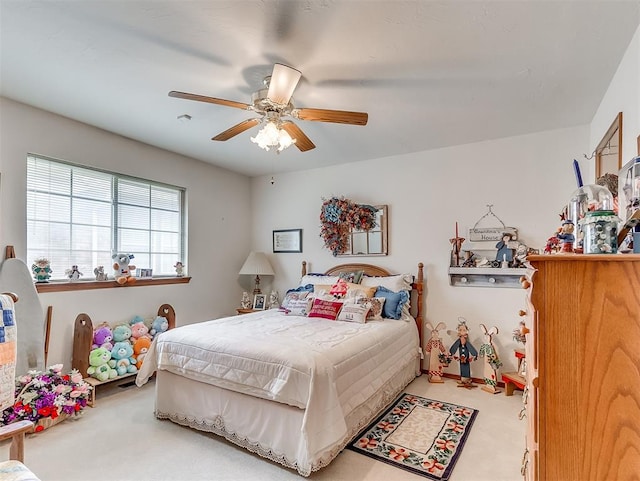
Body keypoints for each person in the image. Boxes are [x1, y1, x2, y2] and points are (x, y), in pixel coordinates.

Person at [449, 319, 478, 389]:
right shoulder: (458, 341)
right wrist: (451, 352)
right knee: (462, 366)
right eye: (460, 330)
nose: (462, 332)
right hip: (461, 358)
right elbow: (455, 346)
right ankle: (463, 380)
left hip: (466, 358)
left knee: (466, 366)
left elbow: (470, 347)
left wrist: (474, 354)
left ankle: (467, 380)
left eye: (463, 330)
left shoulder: (466, 342)